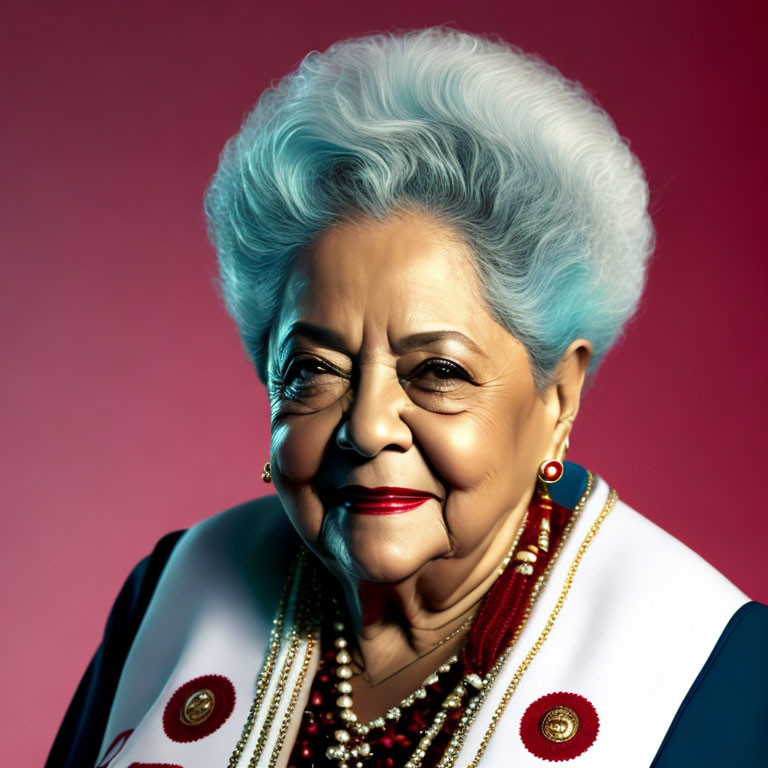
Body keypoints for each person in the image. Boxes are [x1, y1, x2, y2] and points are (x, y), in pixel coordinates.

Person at [46, 26, 767, 768]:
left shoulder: (723, 679)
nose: (366, 427)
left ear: (557, 397)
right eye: (316, 371)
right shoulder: (171, 596)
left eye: (438, 373)